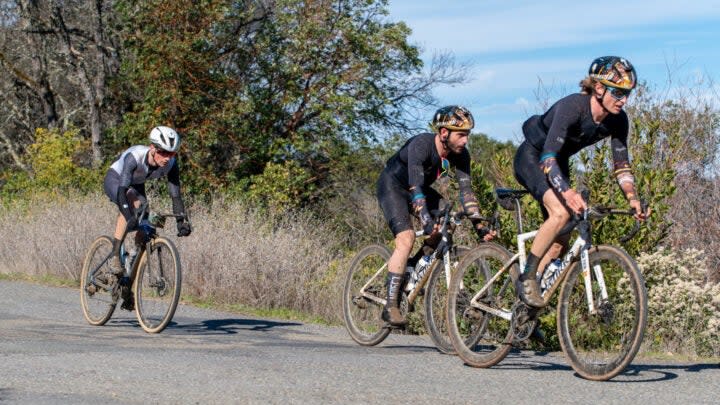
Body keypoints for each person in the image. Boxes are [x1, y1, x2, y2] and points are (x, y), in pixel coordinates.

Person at [513, 56, 649, 308]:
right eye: (618, 93)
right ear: (599, 88)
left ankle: (526, 307)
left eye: (628, 94)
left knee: (561, 242)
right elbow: (547, 159)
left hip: (558, 162)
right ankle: (527, 277)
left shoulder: (618, 120)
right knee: (561, 212)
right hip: (534, 157)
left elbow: (621, 166)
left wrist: (632, 197)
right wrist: (567, 193)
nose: (624, 100)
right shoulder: (572, 107)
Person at [376, 105, 495, 326]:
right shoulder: (421, 145)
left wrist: (480, 226)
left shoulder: (461, 155)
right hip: (395, 186)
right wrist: (426, 220)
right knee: (406, 238)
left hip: (418, 190)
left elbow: (467, 194)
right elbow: (416, 189)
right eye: (461, 135)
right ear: (443, 133)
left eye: (467, 135)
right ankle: (390, 305)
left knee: (447, 224)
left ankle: (412, 267)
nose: (465, 141)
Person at [102, 126, 192, 310]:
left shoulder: (171, 164)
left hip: (136, 184)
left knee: (148, 224)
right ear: (152, 148)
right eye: (163, 153)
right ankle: (115, 255)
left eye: (172, 154)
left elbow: (175, 195)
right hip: (116, 180)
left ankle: (129, 274)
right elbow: (122, 193)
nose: (167, 158)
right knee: (133, 206)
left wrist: (181, 221)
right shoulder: (135, 157)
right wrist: (129, 217)